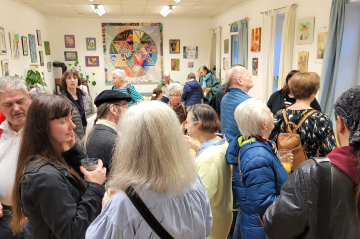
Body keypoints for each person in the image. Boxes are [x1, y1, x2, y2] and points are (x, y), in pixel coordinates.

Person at [86, 101, 213, 238]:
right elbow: (206, 226)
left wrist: (107, 208)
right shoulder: (194, 180)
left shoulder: (122, 204)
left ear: (129, 145)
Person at [263, 85, 360, 239]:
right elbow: (329, 148)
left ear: (340, 123)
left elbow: (275, 228)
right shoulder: (321, 119)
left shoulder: (313, 173)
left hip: (307, 178)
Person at [10, 95, 106, 239]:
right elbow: (70, 232)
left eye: (70, 119)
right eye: (63, 121)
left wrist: (73, 152)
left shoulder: (55, 159)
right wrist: (95, 187)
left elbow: (79, 180)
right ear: (42, 128)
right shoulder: (43, 176)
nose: (72, 125)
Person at [226, 98, 289, 239]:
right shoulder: (257, 157)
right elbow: (265, 204)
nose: (273, 114)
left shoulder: (258, 147)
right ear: (264, 124)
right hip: (262, 231)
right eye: (270, 112)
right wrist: (297, 195)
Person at [184, 104, 233, 239]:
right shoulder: (222, 141)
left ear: (198, 124)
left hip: (210, 227)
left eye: (188, 123)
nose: (185, 127)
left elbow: (202, 199)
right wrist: (195, 146)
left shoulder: (208, 158)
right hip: (222, 215)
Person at [269, 72, 336, 158]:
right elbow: (331, 153)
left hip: (285, 168)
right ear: (314, 93)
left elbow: (271, 144)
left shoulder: (280, 115)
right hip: (312, 169)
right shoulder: (322, 119)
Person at [0, 76, 31, 239]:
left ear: (29, 98)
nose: (16, 108)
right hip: (4, 217)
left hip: (36, 214)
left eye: (20, 101)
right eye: (8, 104)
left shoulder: (44, 128)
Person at [82, 90, 132, 172]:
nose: (128, 111)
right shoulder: (114, 141)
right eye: (126, 106)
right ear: (113, 109)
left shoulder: (94, 132)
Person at [60, 69, 95, 142]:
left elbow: (93, 115)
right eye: (69, 78)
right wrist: (77, 141)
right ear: (65, 81)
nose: (72, 80)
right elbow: (63, 122)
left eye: (74, 78)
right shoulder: (61, 99)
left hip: (89, 134)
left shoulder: (85, 96)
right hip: (73, 135)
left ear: (78, 80)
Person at [221, 65, 253, 143]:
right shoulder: (249, 102)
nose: (251, 75)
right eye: (247, 74)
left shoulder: (225, 98)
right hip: (241, 147)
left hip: (227, 144)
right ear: (240, 81)